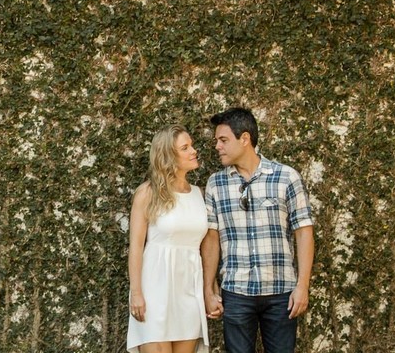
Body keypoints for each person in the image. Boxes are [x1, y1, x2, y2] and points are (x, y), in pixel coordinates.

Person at [203, 107, 315, 353]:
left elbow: (304, 231)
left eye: (223, 140)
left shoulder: (286, 177)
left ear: (245, 139)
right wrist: (208, 287)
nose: (217, 146)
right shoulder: (215, 183)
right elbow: (212, 238)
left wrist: (302, 286)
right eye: (216, 141)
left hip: (281, 292)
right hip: (236, 292)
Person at [127, 125, 210, 353]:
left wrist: (209, 291)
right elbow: (136, 246)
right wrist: (136, 293)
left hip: (188, 292)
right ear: (168, 156)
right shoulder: (147, 193)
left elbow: (206, 246)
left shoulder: (199, 194)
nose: (193, 151)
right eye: (185, 148)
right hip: (154, 290)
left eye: (191, 145)